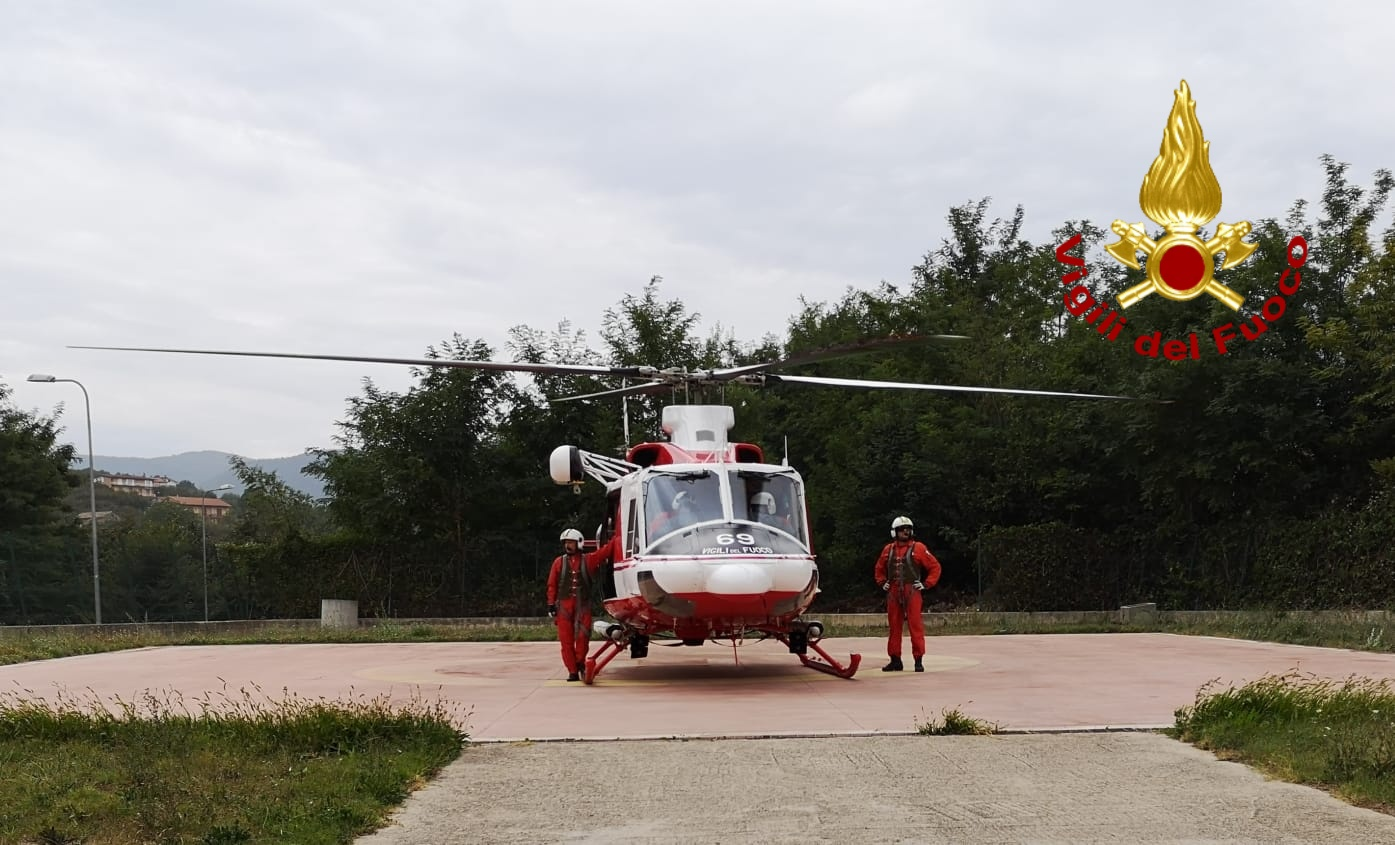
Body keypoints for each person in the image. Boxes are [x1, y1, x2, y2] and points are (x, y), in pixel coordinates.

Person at [873, 515, 942, 672]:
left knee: (915, 626)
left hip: (912, 591)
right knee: (894, 627)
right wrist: (882, 582)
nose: (905, 532)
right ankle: (895, 660)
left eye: (908, 529)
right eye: (902, 529)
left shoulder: (919, 548)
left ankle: (918, 660)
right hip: (893, 591)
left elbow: (935, 567)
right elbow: (879, 568)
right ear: (895, 532)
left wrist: (926, 584)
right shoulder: (888, 549)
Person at [546, 528, 615, 681]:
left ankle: (579, 663)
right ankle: (572, 671)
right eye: (566, 543)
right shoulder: (558, 562)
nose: (567, 546)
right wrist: (551, 604)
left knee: (583, 637)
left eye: (570, 542)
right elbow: (552, 585)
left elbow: (604, 552)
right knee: (566, 641)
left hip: (583, 606)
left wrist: (617, 538)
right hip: (563, 607)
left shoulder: (589, 559)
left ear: (579, 543)